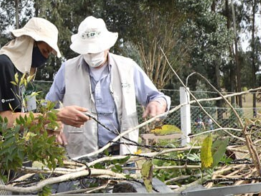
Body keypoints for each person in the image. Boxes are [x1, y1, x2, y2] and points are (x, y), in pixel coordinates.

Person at [46, 16, 170, 158]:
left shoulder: (128, 67)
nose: (92, 55)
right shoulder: (67, 69)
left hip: (123, 155)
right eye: (87, 51)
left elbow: (156, 97)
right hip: (81, 155)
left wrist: (158, 103)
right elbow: (48, 105)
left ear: (108, 45)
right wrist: (53, 126)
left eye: (96, 50)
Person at [0, 18, 88, 143]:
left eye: (49, 53)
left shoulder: (26, 75)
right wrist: (56, 115)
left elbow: (27, 116)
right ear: (29, 42)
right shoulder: (3, 66)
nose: (45, 57)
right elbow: (5, 120)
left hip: (19, 152)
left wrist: (48, 129)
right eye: (44, 51)